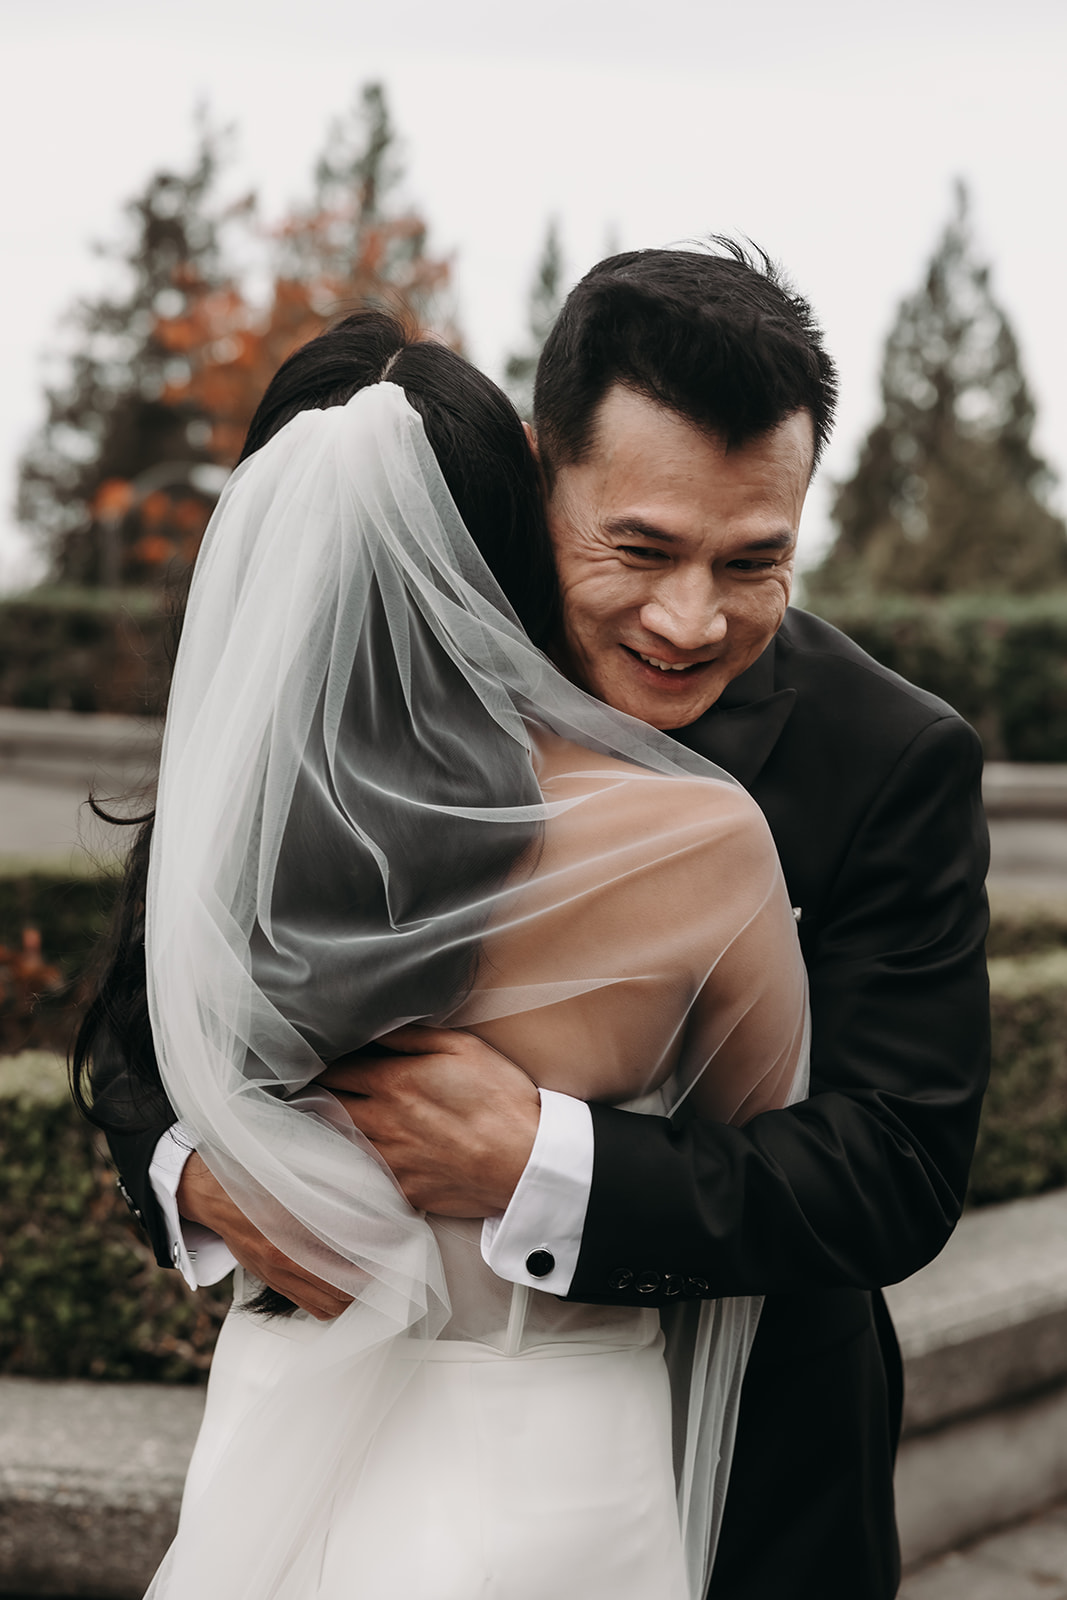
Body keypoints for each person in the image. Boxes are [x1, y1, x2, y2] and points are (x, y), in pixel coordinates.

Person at [89, 245, 990, 1598]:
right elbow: (136, 1015)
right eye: (641, 549)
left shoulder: (892, 756)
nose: (692, 619)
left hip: (753, 1487)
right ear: (537, 469)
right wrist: (198, 1182)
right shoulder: (367, 661)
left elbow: (897, 1164)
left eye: (755, 563)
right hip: (345, 1455)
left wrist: (543, 1161)